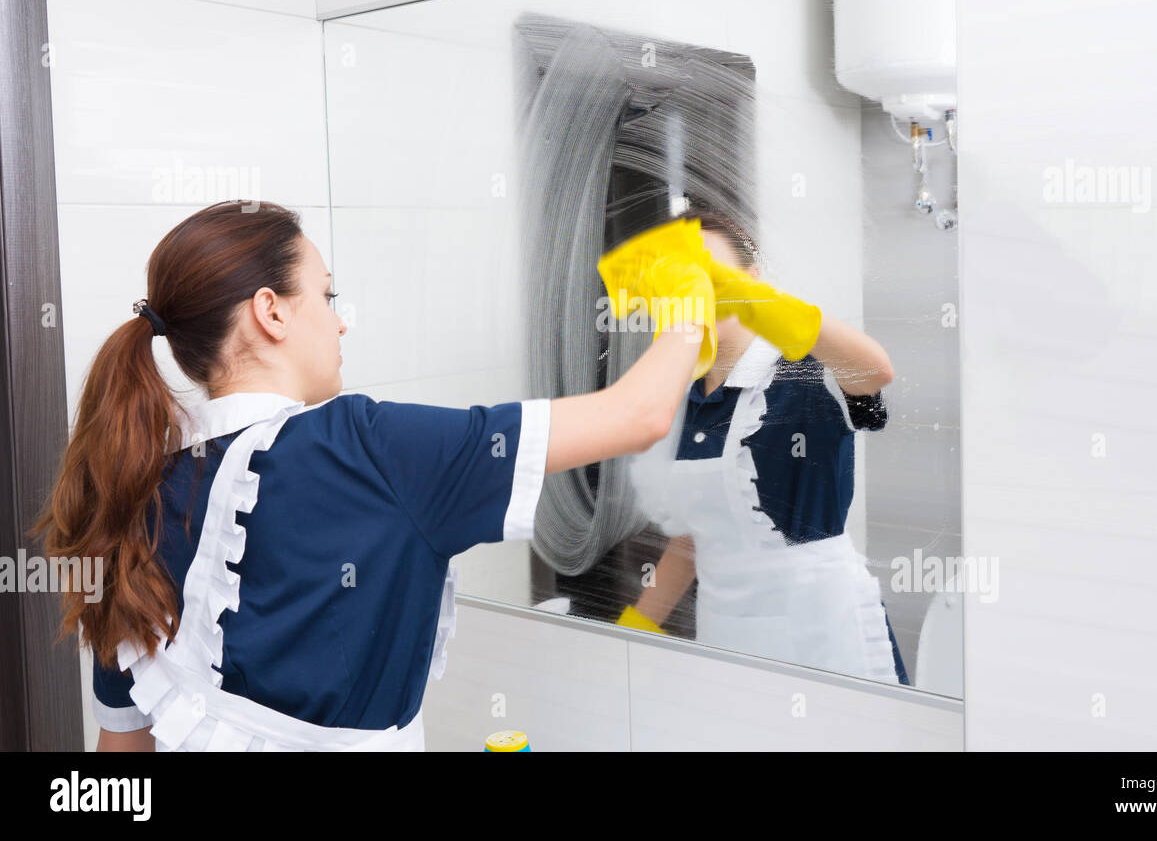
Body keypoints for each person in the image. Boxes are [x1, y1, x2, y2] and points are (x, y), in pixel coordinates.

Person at [33, 200, 715, 751]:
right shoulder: (371, 448)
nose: (340, 325)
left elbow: (121, 756)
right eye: (327, 297)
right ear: (271, 311)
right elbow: (642, 414)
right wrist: (691, 294)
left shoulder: (130, 491)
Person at [616, 209, 910, 685]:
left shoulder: (802, 372)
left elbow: (875, 371)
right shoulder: (678, 399)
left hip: (823, 632)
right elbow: (691, 540)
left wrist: (763, 304)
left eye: (711, 272)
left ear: (750, 280)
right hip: (725, 635)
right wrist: (637, 627)